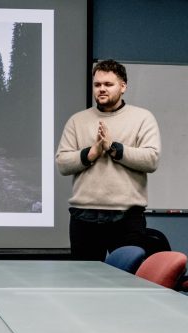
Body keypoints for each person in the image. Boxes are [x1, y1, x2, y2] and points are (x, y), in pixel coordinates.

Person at [56, 59, 161, 261]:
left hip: (127, 217)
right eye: (97, 85)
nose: (101, 89)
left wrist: (114, 148)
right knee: (84, 282)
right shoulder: (77, 120)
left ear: (123, 86)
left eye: (108, 84)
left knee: (128, 283)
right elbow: (62, 163)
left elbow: (151, 159)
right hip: (84, 217)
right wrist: (90, 153)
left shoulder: (142, 118)